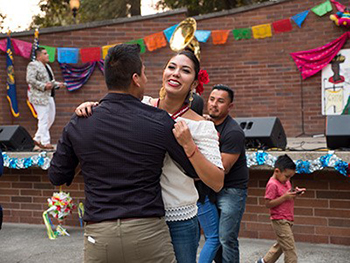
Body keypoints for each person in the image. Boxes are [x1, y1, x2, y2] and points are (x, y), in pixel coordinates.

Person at [49, 44, 203, 263]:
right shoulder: (159, 121)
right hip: (147, 232)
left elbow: (58, 176)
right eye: (144, 73)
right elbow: (190, 169)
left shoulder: (81, 121)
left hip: (99, 234)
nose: (147, 79)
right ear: (136, 79)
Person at [206, 84, 249, 263]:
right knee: (214, 238)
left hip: (231, 190)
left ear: (230, 106)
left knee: (226, 238)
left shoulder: (233, 132)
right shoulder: (206, 125)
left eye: (221, 101)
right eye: (212, 99)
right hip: (211, 189)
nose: (214, 104)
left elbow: (221, 169)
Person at [256, 154, 306, 263]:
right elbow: (268, 203)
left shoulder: (285, 181)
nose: (288, 179)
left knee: (281, 245)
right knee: (290, 249)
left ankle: (264, 261)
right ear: (277, 171)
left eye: (290, 177)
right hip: (279, 219)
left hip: (288, 218)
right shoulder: (272, 184)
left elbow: (287, 193)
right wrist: (284, 198)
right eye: (287, 176)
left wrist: (295, 192)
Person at [26, 47, 65, 150]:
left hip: (49, 96)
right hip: (38, 96)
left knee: (50, 118)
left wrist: (57, 84)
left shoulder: (47, 66)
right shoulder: (33, 65)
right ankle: (45, 142)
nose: (47, 55)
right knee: (43, 118)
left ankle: (37, 138)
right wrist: (43, 86)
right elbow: (30, 79)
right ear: (39, 56)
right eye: (45, 53)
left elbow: (50, 82)